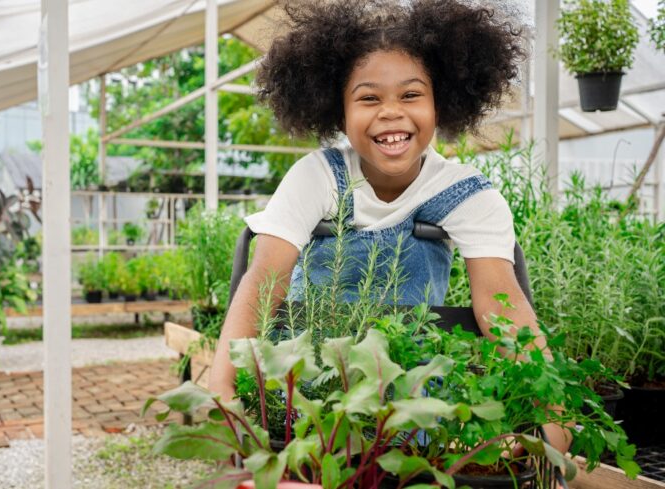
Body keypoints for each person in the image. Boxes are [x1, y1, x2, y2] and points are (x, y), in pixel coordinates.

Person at [208, 0, 571, 453]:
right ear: (339, 113)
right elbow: (262, 281)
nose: (391, 112)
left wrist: (551, 418)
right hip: (308, 392)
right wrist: (224, 391)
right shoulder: (316, 176)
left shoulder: (469, 194)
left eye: (411, 95)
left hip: (410, 396)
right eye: (369, 98)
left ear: (442, 104)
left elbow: (502, 307)